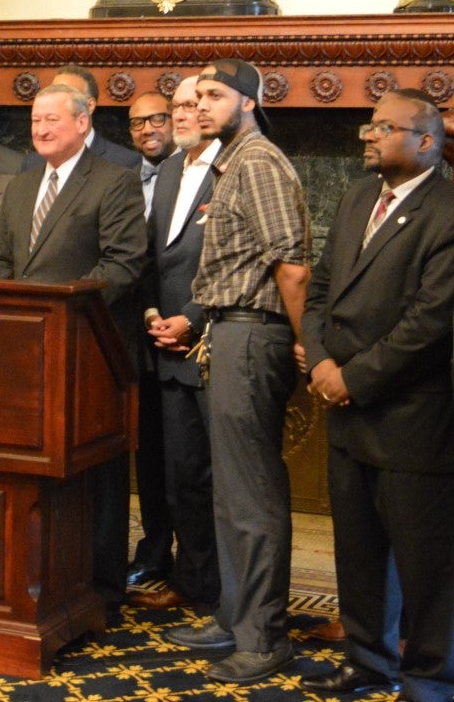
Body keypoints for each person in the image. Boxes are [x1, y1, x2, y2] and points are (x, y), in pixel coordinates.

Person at [298, 89, 454, 701]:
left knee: (426, 566)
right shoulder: (355, 201)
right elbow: (321, 289)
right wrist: (321, 359)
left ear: (426, 141)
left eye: (383, 128)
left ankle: (429, 677)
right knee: (359, 553)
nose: (368, 137)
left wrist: (353, 377)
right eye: (368, 129)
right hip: (348, 413)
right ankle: (367, 660)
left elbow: (431, 321)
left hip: (413, 419)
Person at [164, 59, 310, 686]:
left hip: (254, 332)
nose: (199, 106)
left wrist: (312, 347)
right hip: (227, 331)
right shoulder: (231, 163)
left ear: (249, 102)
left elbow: (293, 265)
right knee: (230, 491)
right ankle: (235, 614)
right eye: (197, 96)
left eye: (215, 95)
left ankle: (263, 637)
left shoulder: (260, 162)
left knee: (251, 496)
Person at [0, 84, 146, 612]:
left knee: (93, 476)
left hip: (87, 353)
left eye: (51, 119)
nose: (40, 129)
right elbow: (1, 266)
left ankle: (100, 586)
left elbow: (123, 265)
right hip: (21, 356)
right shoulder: (18, 186)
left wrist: (60, 310)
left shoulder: (115, 182)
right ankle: (37, 575)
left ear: (83, 123)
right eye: (34, 121)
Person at [132, 76, 219, 614]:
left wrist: (189, 318)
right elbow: (149, 256)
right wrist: (150, 312)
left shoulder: (234, 170)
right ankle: (191, 583)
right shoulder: (167, 172)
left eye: (193, 106)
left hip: (211, 346)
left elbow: (240, 262)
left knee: (214, 480)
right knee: (178, 477)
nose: (184, 115)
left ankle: (222, 596)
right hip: (163, 347)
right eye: (178, 106)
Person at [125, 88, 177, 592]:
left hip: (187, 332)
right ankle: (155, 551)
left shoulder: (193, 175)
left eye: (157, 119)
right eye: (138, 123)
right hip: (139, 326)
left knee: (187, 462)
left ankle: (199, 564)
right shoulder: (125, 179)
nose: (148, 129)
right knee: (151, 455)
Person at [23, 66, 141, 171]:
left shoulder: (123, 163)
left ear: (89, 106)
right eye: (54, 93)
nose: (56, 101)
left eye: (68, 94)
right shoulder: (32, 163)